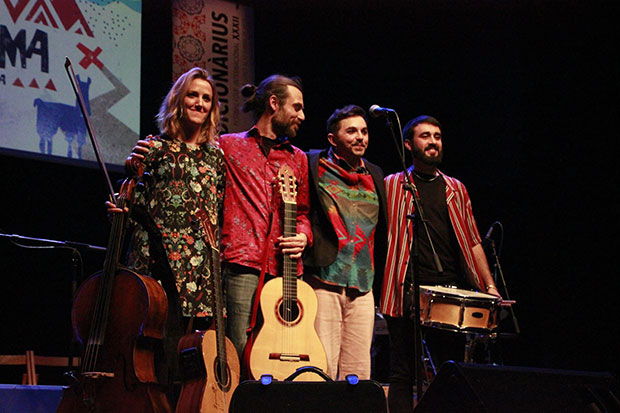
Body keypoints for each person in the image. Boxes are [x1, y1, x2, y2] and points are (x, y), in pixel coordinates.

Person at [107, 67, 225, 404]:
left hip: (198, 267)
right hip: (156, 260)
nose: (199, 103)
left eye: (206, 98)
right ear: (178, 99)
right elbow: (133, 203)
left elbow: (218, 211)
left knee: (187, 358)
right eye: (193, 95)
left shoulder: (216, 157)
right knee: (154, 352)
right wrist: (119, 211)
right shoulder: (153, 148)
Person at [379, 115, 501, 412]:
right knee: (403, 374)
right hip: (403, 288)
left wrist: (489, 286)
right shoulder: (392, 185)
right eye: (425, 136)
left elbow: (473, 242)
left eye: (437, 136)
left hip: (449, 291)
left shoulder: (455, 189)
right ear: (408, 144)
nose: (433, 141)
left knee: (449, 372)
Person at [218, 75, 312, 365]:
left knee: (279, 351)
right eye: (296, 107)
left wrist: (304, 236)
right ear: (274, 103)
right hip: (242, 262)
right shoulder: (229, 146)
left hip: (284, 268)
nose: (302, 116)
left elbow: (304, 212)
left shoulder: (298, 158)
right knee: (238, 349)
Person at [303, 105, 387, 380]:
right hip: (324, 279)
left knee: (358, 373)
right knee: (322, 366)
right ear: (332, 138)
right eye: (351, 131)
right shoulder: (313, 165)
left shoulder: (375, 174)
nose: (360, 137)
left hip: (362, 285)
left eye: (364, 131)